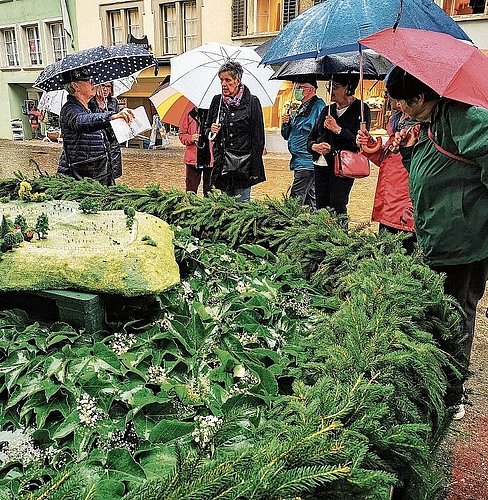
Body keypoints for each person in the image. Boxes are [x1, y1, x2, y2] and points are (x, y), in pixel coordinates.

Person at [386, 66, 488, 419]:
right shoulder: (431, 122)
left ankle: (453, 394)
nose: (396, 108)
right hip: (438, 237)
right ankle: (437, 382)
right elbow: (439, 170)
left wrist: (475, 207)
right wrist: (409, 152)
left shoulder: (461, 115)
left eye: (400, 100)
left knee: (457, 315)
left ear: (419, 97)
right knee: (439, 313)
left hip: (463, 242)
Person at [357, 102, 417, 254]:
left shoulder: (418, 129)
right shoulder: (396, 125)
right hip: (388, 204)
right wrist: (368, 144)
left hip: (405, 208)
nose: (390, 98)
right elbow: (386, 160)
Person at [307, 73, 371, 215]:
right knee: (321, 208)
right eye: (330, 86)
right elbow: (311, 138)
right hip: (321, 165)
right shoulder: (326, 110)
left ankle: (339, 236)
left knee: (337, 206)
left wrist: (338, 129)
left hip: (343, 167)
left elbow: (359, 143)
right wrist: (315, 147)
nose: (331, 90)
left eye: (335, 87)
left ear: (348, 88)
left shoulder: (361, 109)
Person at [57, 68, 134, 186]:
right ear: (76, 86)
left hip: (98, 171)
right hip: (82, 176)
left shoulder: (87, 107)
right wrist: (111, 116)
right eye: (88, 80)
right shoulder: (70, 109)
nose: (93, 83)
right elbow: (82, 122)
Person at [205, 60, 266, 202]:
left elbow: (258, 138)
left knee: (242, 204)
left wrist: (255, 170)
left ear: (238, 80)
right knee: (224, 206)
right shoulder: (217, 101)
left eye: (228, 80)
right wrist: (211, 130)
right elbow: (207, 129)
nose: (223, 84)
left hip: (243, 165)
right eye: (221, 80)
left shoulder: (252, 102)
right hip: (222, 165)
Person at [281, 80, 326, 211]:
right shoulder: (301, 108)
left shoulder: (318, 107)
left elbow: (320, 133)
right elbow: (286, 135)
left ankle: (290, 224)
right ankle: (314, 225)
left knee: (296, 198)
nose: (297, 90)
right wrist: (286, 123)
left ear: (311, 89)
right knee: (310, 198)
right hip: (298, 160)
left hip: (307, 161)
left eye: (301, 87)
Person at [88, 82, 123, 181]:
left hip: (112, 142)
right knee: (99, 175)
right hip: (97, 142)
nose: (105, 89)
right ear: (96, 86)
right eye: (103, 85)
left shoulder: (113, 102)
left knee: (112, 175)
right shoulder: (90, 102)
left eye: (108, 86)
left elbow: (117, 120)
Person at [178, 107, 213, 197]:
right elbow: (182, 135)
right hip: (193, 160)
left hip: (211, 160)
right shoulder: (190, 114)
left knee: (210, 192)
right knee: (191, 190)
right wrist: (191, 138)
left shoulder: (215, 115)